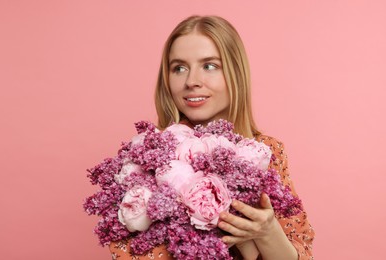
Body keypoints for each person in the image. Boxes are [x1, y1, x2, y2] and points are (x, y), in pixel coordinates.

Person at [110, 15, 315, 259]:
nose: (192, 81)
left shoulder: (267, 151)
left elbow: (300, 250)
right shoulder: (147, 157)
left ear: (235, 73)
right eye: (179, 68)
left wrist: (267, 232)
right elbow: (127, 253)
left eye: (209, 66)